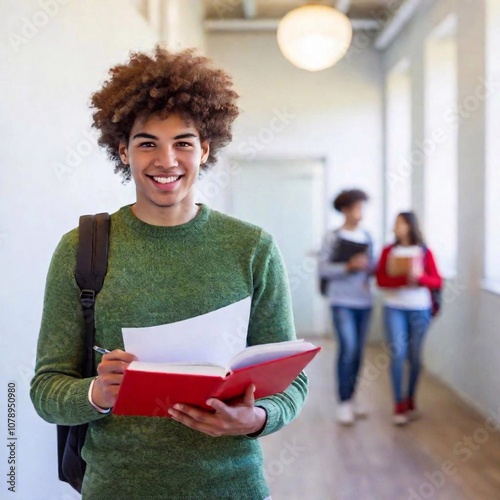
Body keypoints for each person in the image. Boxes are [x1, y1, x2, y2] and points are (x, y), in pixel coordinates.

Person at [30, 46, 308, 500]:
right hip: (116, 487)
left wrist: (256, 419)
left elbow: (291, 381)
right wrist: (99, 393)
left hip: (231, 485)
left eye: (183, 142)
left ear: (206, 149)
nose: (166, 161)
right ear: (123, 150)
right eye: (147, 144)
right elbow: (46, 391)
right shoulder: (81, 249)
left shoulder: (252, 248)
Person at [376, 212, 442, 426]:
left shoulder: (424, 251)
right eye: (395, 224)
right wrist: (404, 279)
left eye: (400, 224)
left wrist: (419, 278)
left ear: (410, 226)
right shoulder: (388, 251)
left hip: (419, 309)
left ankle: (410, 399)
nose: (396, 227)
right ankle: (398, 404)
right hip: (394, 308)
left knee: (415, 358)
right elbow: (381, 280)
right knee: (398, 354)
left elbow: (436, 281)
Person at [318, 189, 374, 425]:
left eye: (362, 207)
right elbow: (323, 269)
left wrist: (367, 266)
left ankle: (352, 397)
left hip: (364, 301)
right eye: (357, 208)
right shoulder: (333, 237)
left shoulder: (367, 236)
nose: (360, 213)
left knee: (359, 353)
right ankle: (343, 401)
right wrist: (348, 267)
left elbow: (373, 267)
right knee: (348, 349)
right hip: (341, 301)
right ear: (345, 210)